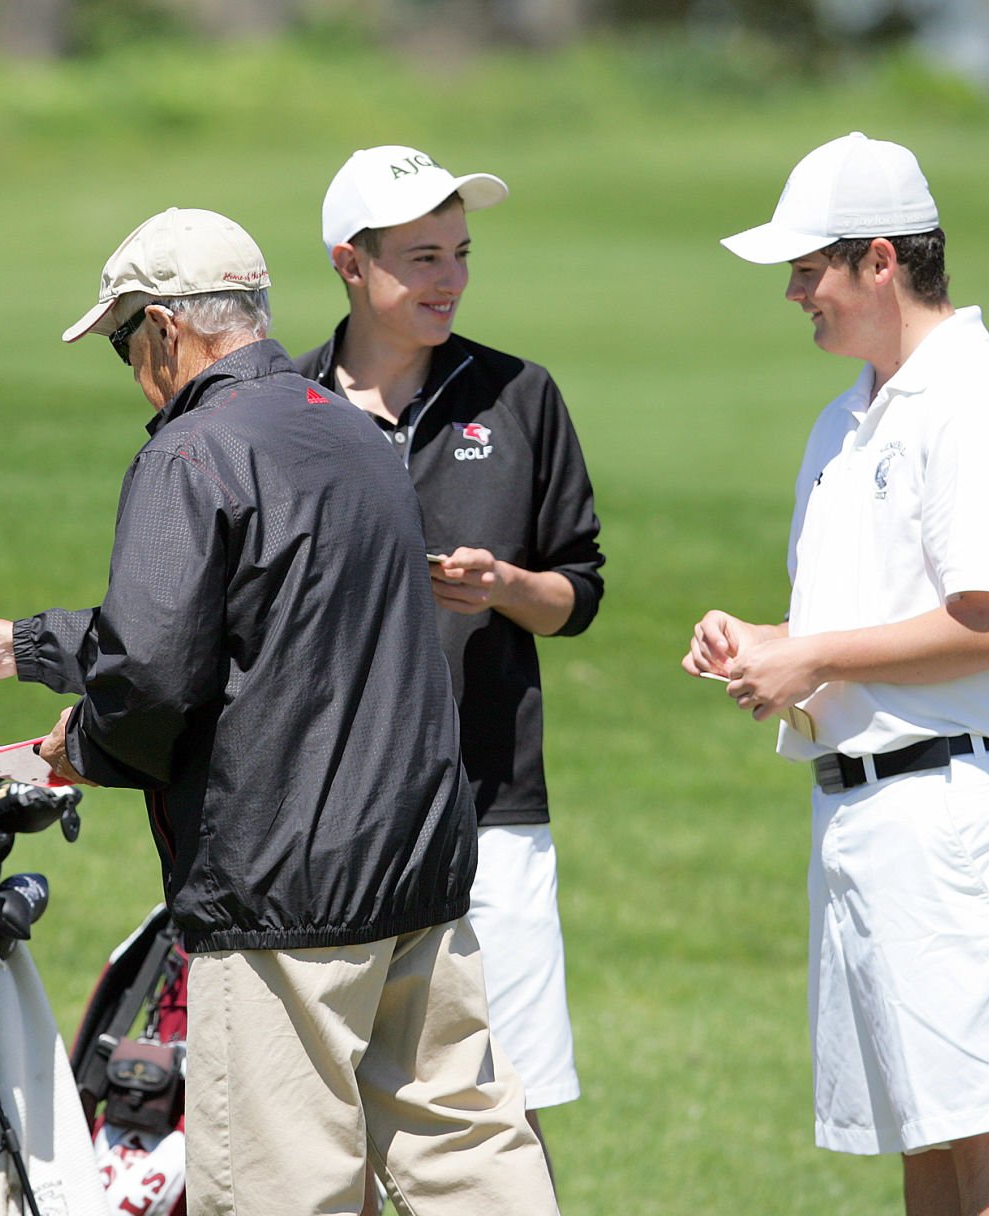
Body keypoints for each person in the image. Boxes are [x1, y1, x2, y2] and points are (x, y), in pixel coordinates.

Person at [0, 207, 560, 1216]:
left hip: (281, 882)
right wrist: (29, 641)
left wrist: (76, 748)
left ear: (167, 330)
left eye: (126, 345)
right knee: (464, 1149)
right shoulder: (352, 432)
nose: (132, 371)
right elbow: (256, 613)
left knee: (282, 1181)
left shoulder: (190, 452)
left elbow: (156, 677)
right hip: (420, 861)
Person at [684, 132, 989, 1215]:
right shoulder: (845, 417)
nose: (795, 291)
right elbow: (867, 621)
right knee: (919, 1130)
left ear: (882, 261)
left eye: (808, 268)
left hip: (951, 810)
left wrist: (804, 653)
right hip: (862, 809)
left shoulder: (976, 402)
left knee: (986, 1130)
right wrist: (763, 641)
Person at [293, 145, 604, 1167]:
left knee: (498, 1106)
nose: (449, 280)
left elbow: (578, 594)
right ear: (350, 263)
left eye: (459, 254)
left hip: (491, 811)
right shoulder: (283, 412)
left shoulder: (519, 396)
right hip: (324, 823)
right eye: (420, 257)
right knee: (333, 1122)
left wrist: (508, 588)